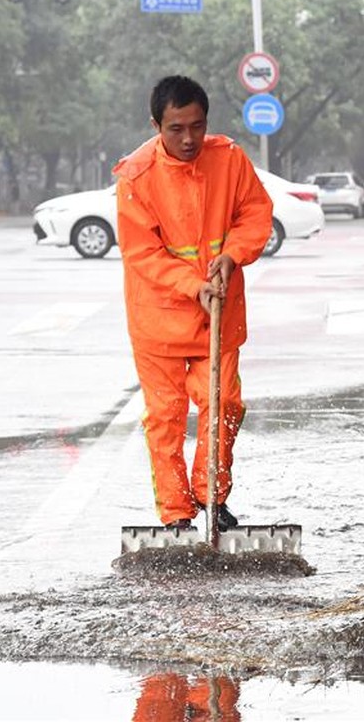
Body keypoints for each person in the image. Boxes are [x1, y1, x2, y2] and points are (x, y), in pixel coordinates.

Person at [115, 75, 273, 530]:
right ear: (156, 125)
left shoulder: (230, 160)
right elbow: (142, 252)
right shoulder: (136, 176)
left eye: (197, 126)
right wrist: (193, 285)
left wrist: (232, 254)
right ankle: (176, 514)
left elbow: (255, 213)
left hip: (218, 316)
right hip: (158, 321)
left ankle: (212, 497)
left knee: (222, 404)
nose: (189, 139)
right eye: (176, 129)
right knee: (164, 417)